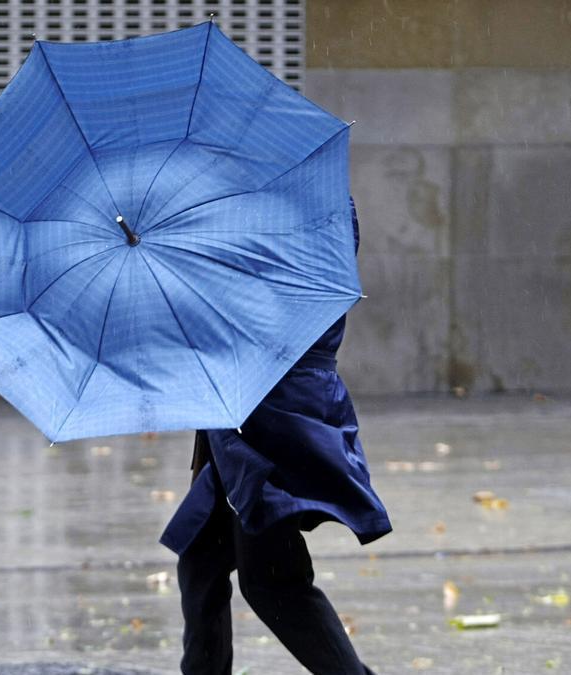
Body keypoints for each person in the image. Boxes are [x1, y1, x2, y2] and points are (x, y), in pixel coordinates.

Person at [161, 199, 389, 675]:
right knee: (201, 558)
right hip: (246, 410)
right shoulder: (257, 204)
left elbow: (277, 308)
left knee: (272, 582)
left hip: (271, 416)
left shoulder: (306, 209)